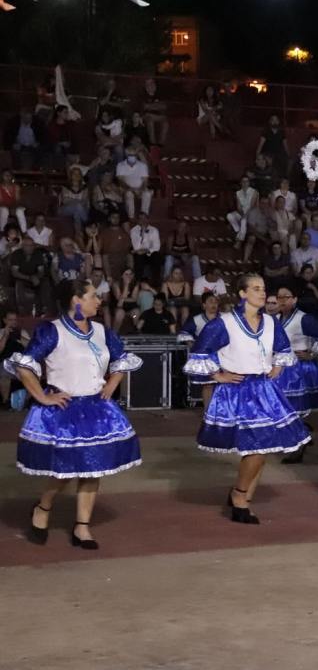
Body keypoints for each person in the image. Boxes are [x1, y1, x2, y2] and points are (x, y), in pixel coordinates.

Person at [5, 278, 143, 549]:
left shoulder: (104, 332)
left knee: (94, 468)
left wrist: (113, 383)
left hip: (97, 409)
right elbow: (24, 365)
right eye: (93, 296)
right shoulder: (52, 330)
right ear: (76, 301)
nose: (99, 300)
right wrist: (43, 395)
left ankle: (82, 526)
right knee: (64, 471)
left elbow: (122, 360)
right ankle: (43, 507)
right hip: (65, 410)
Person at [183, 273, 308, 525]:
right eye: (255, 289)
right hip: (238, 391)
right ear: (242, 294)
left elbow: (284, 351)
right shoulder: (224, 323)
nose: (262, 293)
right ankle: (240, 496)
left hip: (264, 389)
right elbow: (198, 353)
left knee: (263, 447)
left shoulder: (272, 323)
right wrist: (218, 375)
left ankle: (243, 498)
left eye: (263, 289)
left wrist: (278, 367)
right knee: (257, 448)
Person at [275, 284, 318, 463]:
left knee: (293, 409)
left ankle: (298, 445)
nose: (282, 300)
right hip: (281, 369)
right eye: (279, 297)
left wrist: (313, 354)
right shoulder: (275, 318)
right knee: (284, 409)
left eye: (286, 297)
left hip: (298, 371)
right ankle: (302, 434)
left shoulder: (303, 319)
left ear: (294, 299)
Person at [178, 291, 221, 409]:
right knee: (208, 385)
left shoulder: (224, 318)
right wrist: (193, 346)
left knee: (224, 385)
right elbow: (184, 333)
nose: (214, 304)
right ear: (203, 305)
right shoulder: (196, 320)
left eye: (215, 302)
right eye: (210, 301)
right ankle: (208, 412)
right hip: (206, 357)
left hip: (223, 356)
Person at [0, 309, 29, 410]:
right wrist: (5, 336)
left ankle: (26, 401)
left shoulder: (21, 332)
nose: (13, 322)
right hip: (5, 362)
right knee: (4, 372)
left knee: (29, 372)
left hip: (20, 361)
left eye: (15, 320)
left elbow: (30, 347)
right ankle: (6, 401)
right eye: (10, 320)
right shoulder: (1, 332)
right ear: (5, 321)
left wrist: (19, 338)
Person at [116, 147, 152, 219]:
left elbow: (145, 181)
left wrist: (141, 190)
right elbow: (120, 181)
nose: (132, 157)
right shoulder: (120, 165)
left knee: (147, 194)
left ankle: (144, 215)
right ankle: (131, 217)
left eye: (134, 155)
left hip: (140, 188)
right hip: (126, 188)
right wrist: (130, 189)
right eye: (130, 155)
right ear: (126, 155)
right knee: (129, 194)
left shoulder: (142, 165)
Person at [129, 213, 162, 284]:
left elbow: (157, 247)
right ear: (138, 221)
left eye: (145, 218)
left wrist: (146, 250)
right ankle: (138, 281)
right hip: (139, 254)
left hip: (150, 253)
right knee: (138, 257)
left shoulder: (154, 230)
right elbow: (136, 247)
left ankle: (156, 281)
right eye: (141, 219)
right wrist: (142, 234)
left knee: (157, 255)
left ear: (148, 219)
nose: (143, 221)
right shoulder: (134, 230)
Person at [228, 176, 259, 248]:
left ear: (249, 183)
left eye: (246, 181)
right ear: (241, 183)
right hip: (242, 212)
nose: (245, 183)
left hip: (252, 213)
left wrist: (246, 214)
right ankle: (238, 231)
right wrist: (242, 213)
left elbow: (252, 205)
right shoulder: (238, 193)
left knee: (243, 221)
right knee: (230, 216)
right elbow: (238, 206)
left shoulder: (254, 192)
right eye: (243, 181)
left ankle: (239, 241)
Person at [58, 168, 90, 232]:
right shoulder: (65, 186)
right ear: (71, 175)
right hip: (66, 209)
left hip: (81, 208)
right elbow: (64, 201)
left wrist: (71, 200)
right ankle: (88, 223)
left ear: (81, 176)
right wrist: (77, 202)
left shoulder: (85, 187)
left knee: (77, 213)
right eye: (74, 173)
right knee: (78, 206)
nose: (76, 175)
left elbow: (84, 202)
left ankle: (78, 235)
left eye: (78, 174)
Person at [141, 77, 168, 147]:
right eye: (149, 84)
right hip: (145, 117)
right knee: (150, 119)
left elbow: (164, 106)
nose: (151, 85)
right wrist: (157, 105)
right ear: (146, 86)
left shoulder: (160, 94)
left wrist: (150, 106)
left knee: (165, 122)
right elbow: (144, 107)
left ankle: (160, 144)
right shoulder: (142, 95)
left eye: (152, 83)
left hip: (158, 116)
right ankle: (152, 144)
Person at [0, 169, 28, 233]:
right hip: (3, 207)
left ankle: (24, 232)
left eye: (9, 175)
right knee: (4, 210)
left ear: (11, 177)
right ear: (2, 176)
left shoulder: (16, 187)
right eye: (5, 175)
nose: (7, 177)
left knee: (20, 211)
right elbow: (1, 202)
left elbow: (18, 200)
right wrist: (9, 208)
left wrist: (14, 207)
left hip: (13, 206)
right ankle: (2, 231)